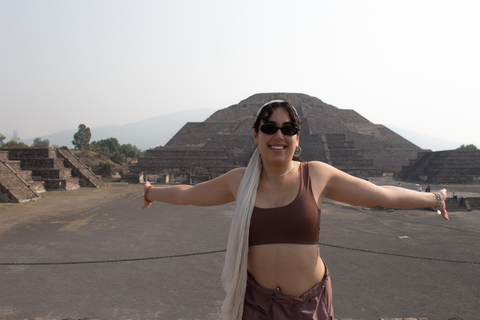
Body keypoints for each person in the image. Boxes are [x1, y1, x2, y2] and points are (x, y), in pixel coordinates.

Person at [142, 100, 449, 320]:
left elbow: (382, 195)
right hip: (256, 305)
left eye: (288, 129)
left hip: (309, 305)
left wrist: (434, 199)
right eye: (269, 128)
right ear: (256, 134)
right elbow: (191, 195)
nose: (279, 136)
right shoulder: (239, 181)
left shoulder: (316, 175)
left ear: (297, 138)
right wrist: (153, 193)